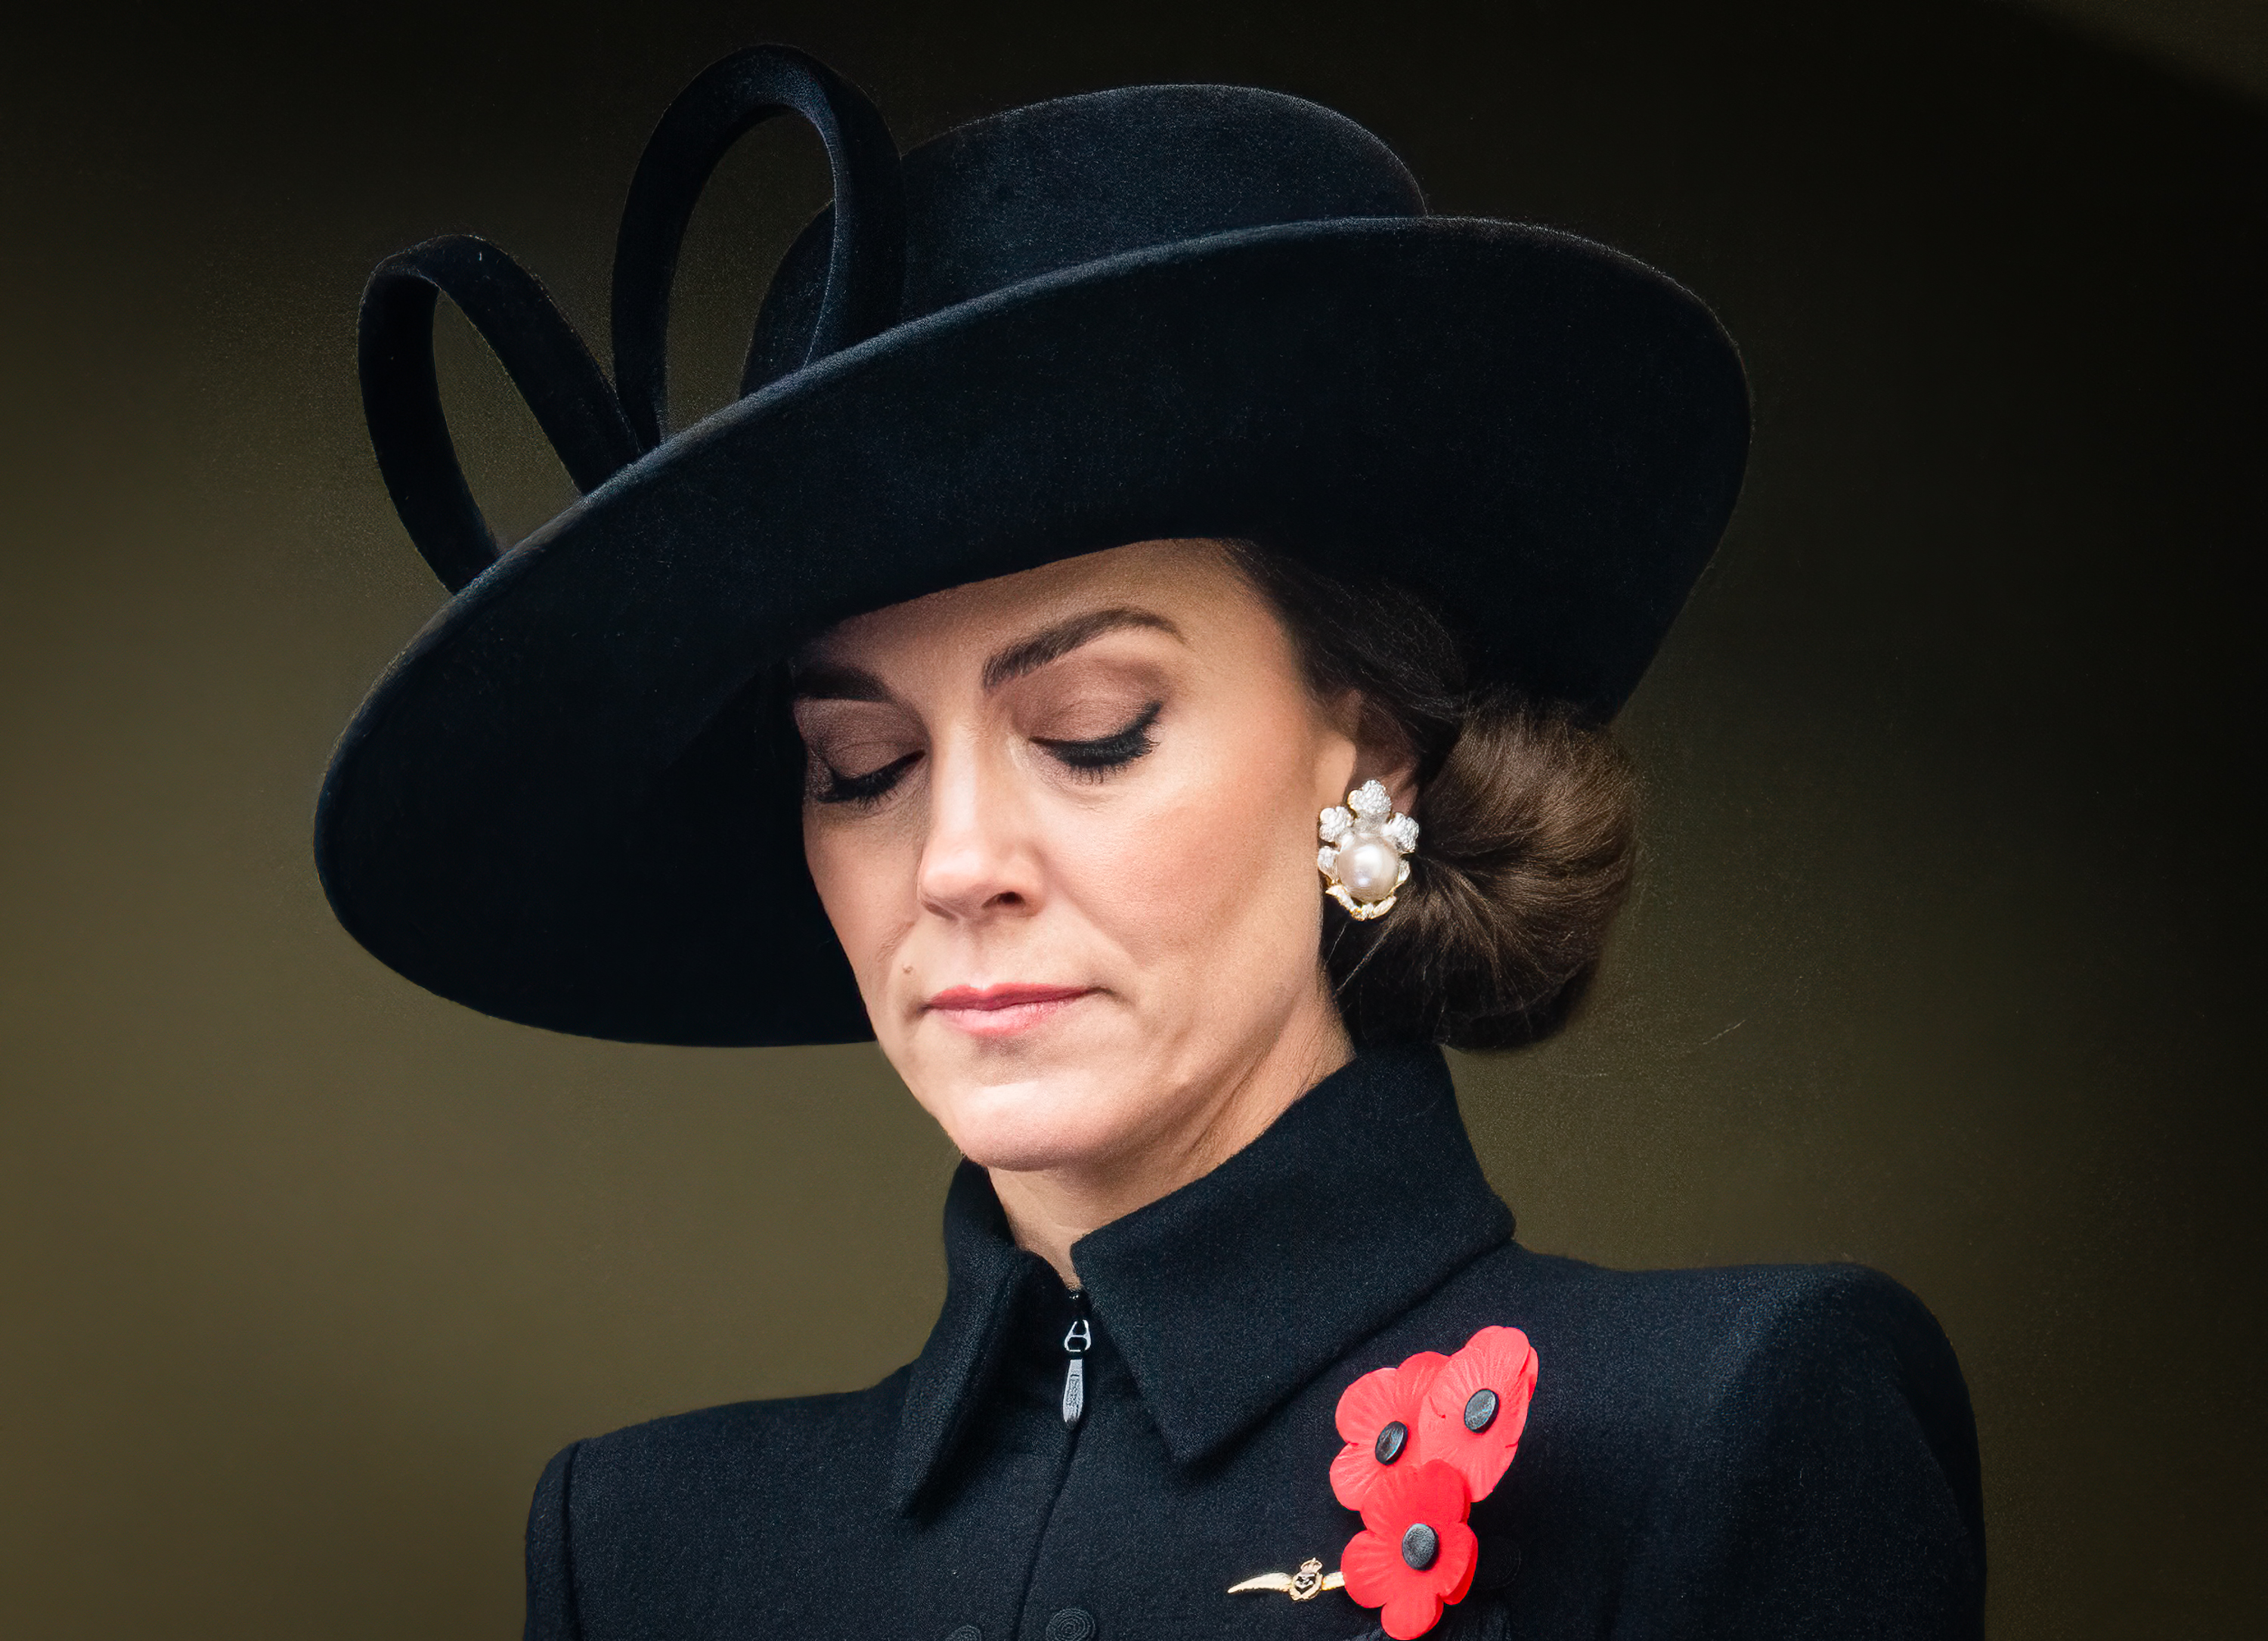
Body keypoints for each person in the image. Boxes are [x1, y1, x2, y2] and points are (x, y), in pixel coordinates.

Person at [318, 42, 1985, 1641]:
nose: (958, 861)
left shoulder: (1722, 1430)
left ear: (1373, 753)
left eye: (1093, 732)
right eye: (861, 762)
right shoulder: (650, 1550)